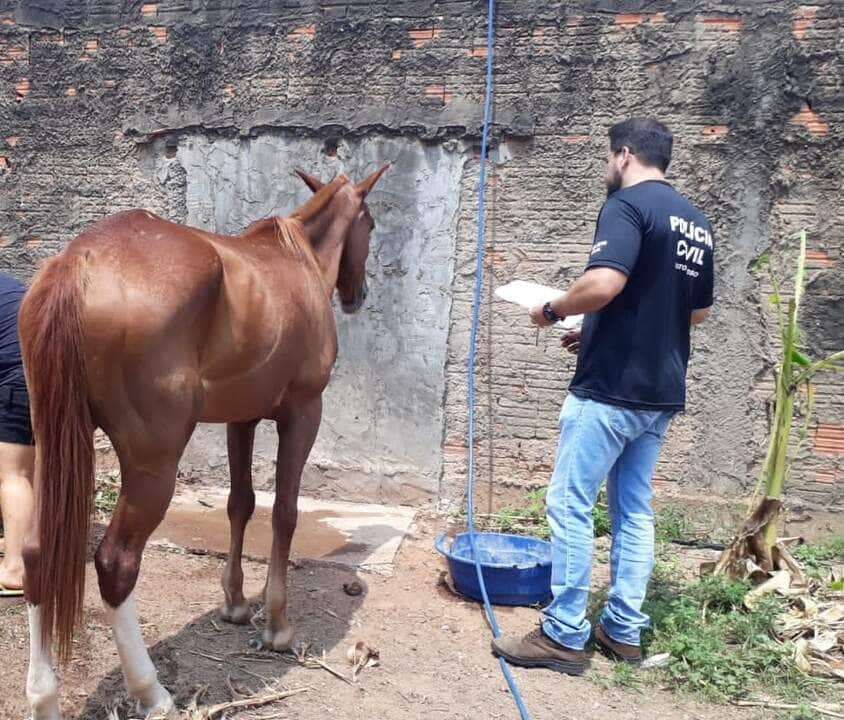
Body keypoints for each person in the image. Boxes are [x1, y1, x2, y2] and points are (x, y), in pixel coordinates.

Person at [492, 118, 715, 674]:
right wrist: (593, 331)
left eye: (607, 158)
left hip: (612, 390)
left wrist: (552, 310)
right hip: (660, 391)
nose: (606, 168)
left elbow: (605, 283)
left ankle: (564, 634)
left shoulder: (627, 206)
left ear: (623, 156)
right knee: (633, 510)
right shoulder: (696, 221)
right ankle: (622, 630)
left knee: (568, 504)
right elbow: (695, 312)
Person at [0, 271, 35, 597]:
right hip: (42, 376)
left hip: (16, 379)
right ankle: (26, 541)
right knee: (27, 470)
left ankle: (15, 569)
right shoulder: (11, 285)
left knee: (14, 475)